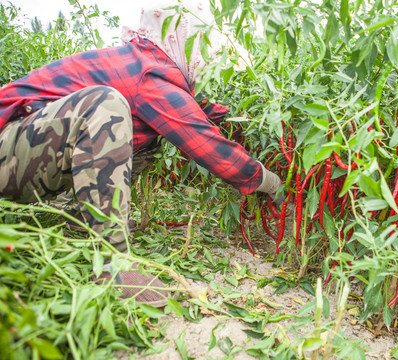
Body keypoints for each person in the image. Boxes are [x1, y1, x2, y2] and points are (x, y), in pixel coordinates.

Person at [0, 1, 281, 307]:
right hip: (8, 146)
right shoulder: (149, 73)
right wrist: (270, 182)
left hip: (24, 152)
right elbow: (206, 144)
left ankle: (82, 217)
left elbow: (193, 113)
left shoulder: (149, 67)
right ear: (183, 40)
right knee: (105, 105)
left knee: (145, 137)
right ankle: (113, 263)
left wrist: (237, 116)